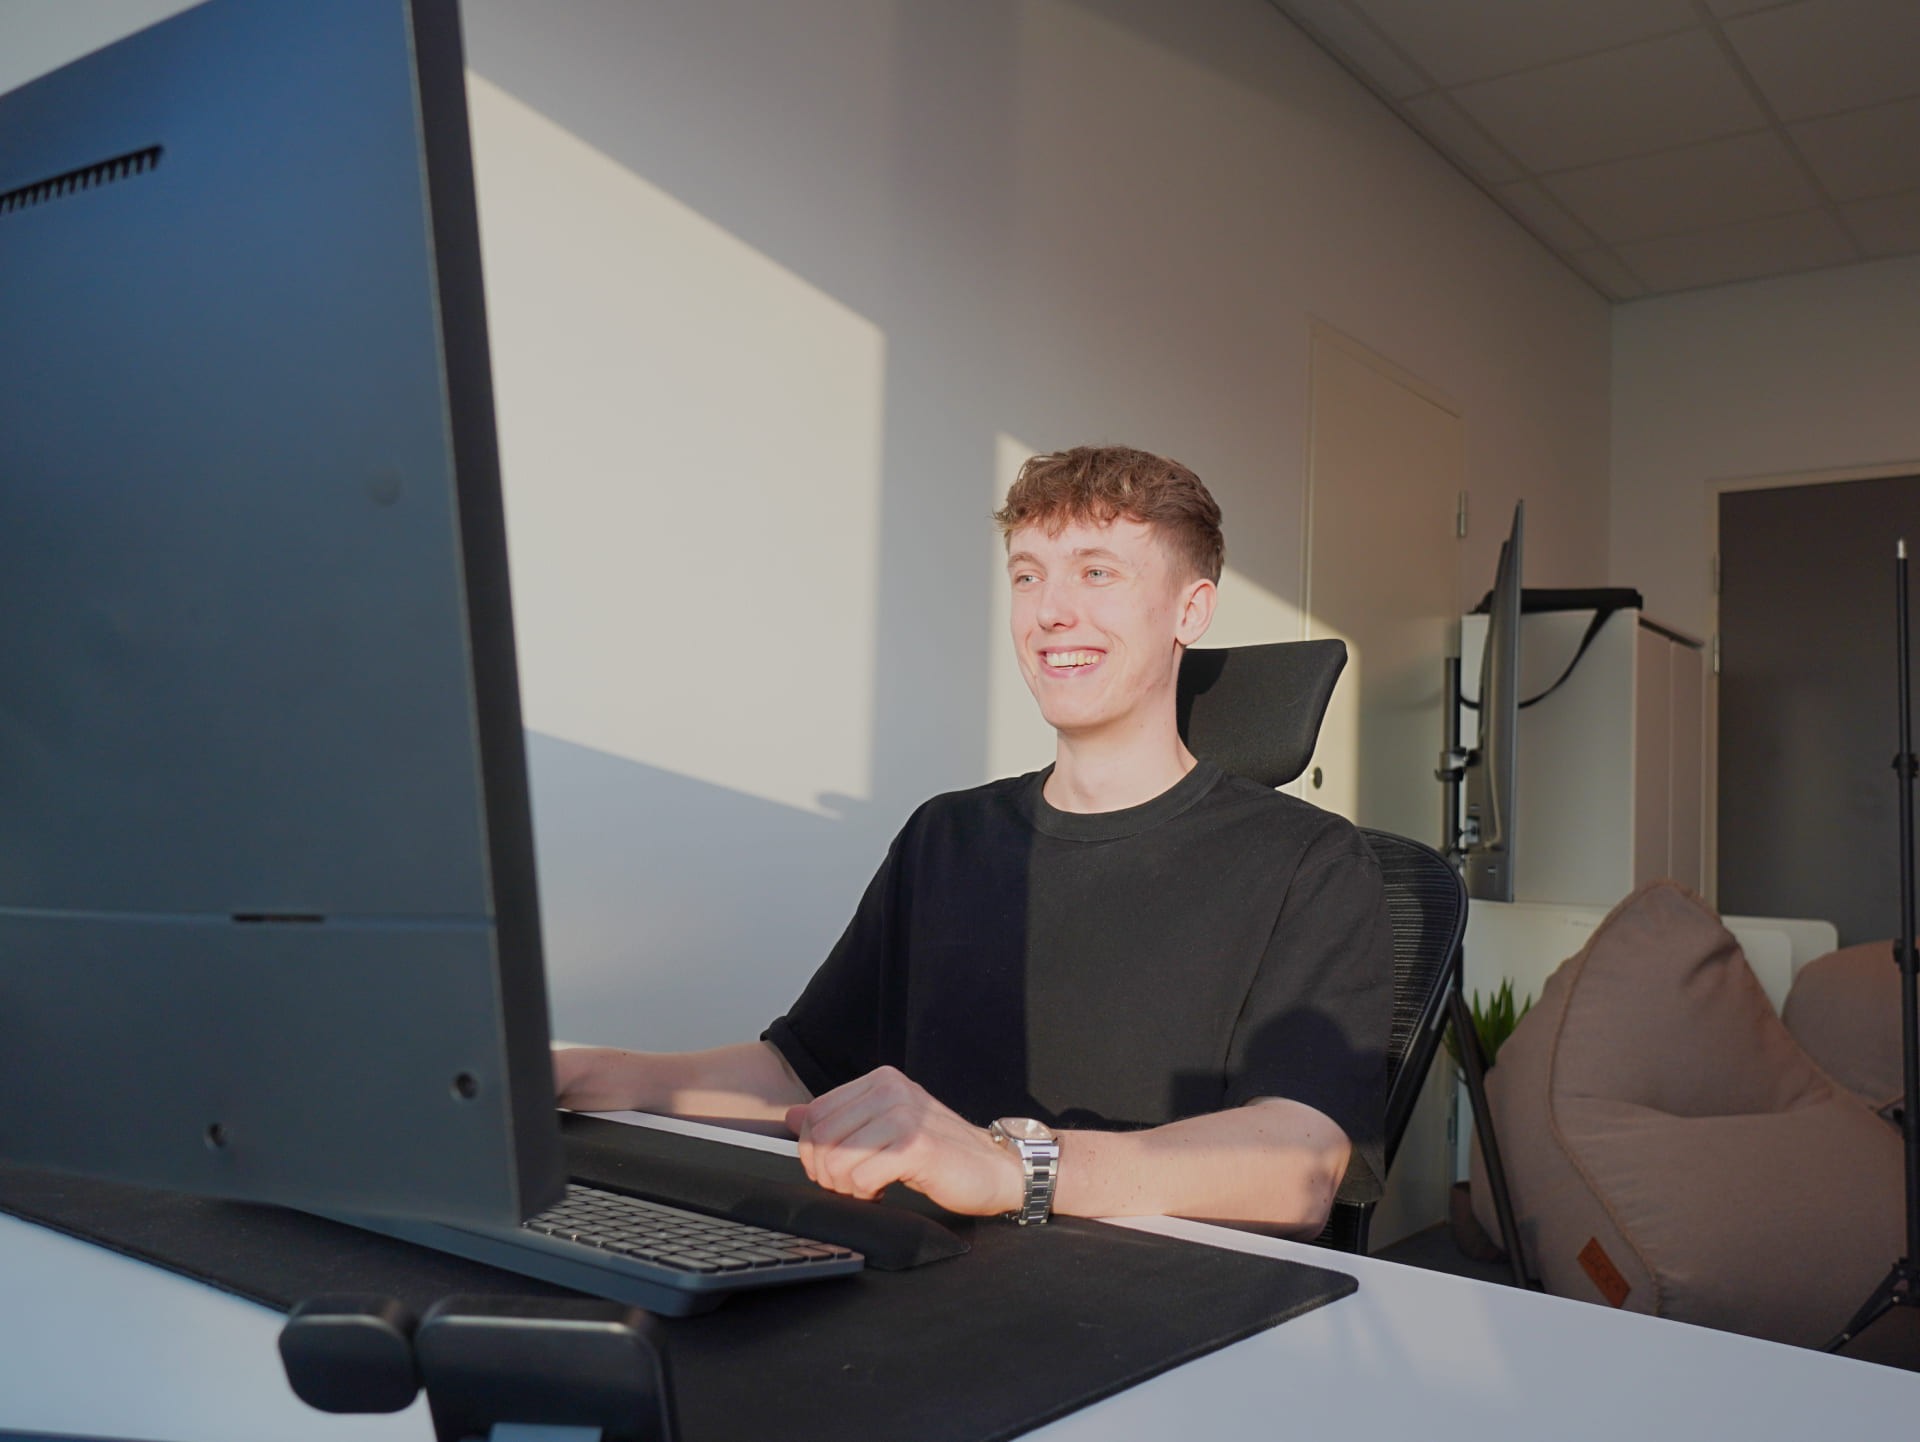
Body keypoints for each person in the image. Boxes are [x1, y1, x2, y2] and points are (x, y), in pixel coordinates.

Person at [554, 446, 1391, 1236]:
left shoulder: (1310, 863)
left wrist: (1013, 1167)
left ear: (1190, 609)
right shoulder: (946, 837)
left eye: (1097, 572)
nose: (1052, 611)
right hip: (915, 1281)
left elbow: (1301, 1166)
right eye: (1029, 576)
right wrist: (583, 1076)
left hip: (1155, 1308)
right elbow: (800, 1073)